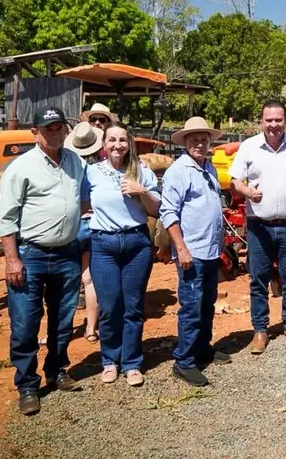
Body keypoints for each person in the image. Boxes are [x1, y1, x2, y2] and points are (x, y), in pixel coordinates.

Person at [0, 105, 85, 416]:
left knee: (63, 320)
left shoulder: (75, 161)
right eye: (49, 128)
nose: (55, 133)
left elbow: (84, 198)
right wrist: (12, 259)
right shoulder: (21, 167)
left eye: (59, 127)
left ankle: (57, 370)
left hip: (67, 254)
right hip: (30, 255)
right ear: (35, 132)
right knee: (25, 324)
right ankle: (27, 385)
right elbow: (7, 218)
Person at [230, 100, 286, 355]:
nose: (274, 125)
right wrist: (247, 191)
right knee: (258, 280)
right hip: (259, 227)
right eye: (269, 120)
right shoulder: (249, 146)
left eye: (278, 120)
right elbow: (235, 181)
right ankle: (260, 330)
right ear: (261, 121)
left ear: (285, 120)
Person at [82, 122, 159, 387]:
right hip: (103, 244)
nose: (117, 145)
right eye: (112, 140)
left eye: (122, 140)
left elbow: (155, 209)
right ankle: (109, 360)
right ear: (104, 144)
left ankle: (132, 362)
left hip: (136, 242)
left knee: (133, 306)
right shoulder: (92, 173)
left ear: (129, 143)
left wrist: (142, 191)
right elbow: (82, 202)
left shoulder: (141, 171)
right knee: (110, 305)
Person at [160, 116, 229, 387]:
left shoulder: (208, 168)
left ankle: (202, 349)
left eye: (203, 139)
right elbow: (168, 212)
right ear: (185, 143)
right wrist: (181, 248)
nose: (199, 144)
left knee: (206, 303)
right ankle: (184, 361)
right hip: (191, 251)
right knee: (191, 306)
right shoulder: (179, 171)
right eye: (194, 140)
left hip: (210, 250)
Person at [65, 122, 104, 343]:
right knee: (89, 279)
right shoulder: (101, 170)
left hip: (73, 226)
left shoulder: (70, 168)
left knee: (68, 280)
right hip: (95, 225)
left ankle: (63, 329)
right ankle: (90, 328)